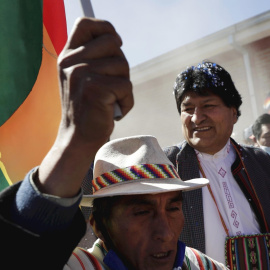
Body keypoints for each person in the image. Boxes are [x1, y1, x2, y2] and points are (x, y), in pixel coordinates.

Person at [0, 18, 227, 270]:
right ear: (98, 226)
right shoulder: (76, 266)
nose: (165, 233)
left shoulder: (201, 265)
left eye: (173, 208)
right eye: (141, 212)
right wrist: (74, 141)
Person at [164, 61, 270, 268]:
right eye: (188, 109)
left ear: (233, 113)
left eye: (208, 106)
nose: (197, 117)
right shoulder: (166, 167)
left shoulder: (262, 163)